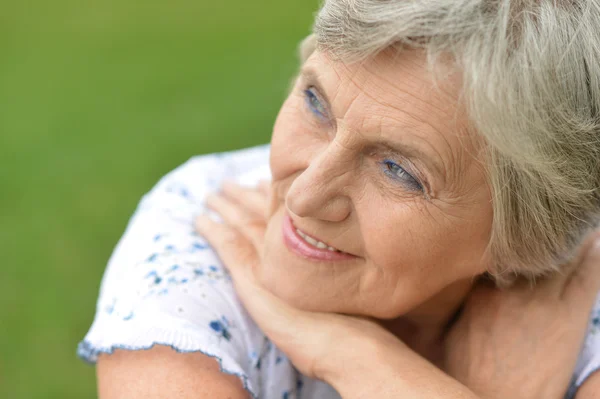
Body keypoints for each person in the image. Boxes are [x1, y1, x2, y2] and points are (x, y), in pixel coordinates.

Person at [78, 1, 600, 398]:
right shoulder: (198, 238)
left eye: (397, 170)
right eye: (315, 102)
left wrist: (353, 357)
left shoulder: (585, 297)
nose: (304, 197)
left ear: (528, 235)